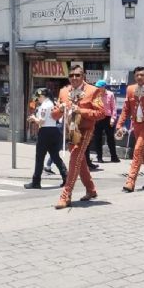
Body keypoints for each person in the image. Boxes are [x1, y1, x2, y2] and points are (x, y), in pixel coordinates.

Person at [53, 65, 103, 209]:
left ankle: (66, 195)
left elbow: (101, 113)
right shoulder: (63, 91)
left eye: (77, 75)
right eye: (72, 75)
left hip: (85, 130)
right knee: (79, 161)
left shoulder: (93, 91)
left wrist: (81, 110)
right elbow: (54, 115)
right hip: (70, 131)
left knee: (74, 158)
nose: (74, 78)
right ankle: (91, 190)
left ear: (83, 76)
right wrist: (60, 109)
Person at [25, 88, 68, 189]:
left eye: (38, 97)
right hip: (53, 131)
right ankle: (66, 176)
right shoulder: (51, 104)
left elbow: (41, 121)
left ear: (42, 96)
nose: (37, 99)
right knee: (55, 156)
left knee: (40, 157)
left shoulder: (44, 106)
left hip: (45, 132)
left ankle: (36, 182)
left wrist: (33, 119)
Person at [91, 80, 120, 163]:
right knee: (98, 138)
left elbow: (113, 107)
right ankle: (99, 157)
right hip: (98, 118)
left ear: (103, 87)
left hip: (108, 118)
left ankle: (114, 156)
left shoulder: (110, 94)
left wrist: (113, 118)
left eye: (99, 87)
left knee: (110, 138)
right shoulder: (94, 95)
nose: (97, 88)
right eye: (96, 87)